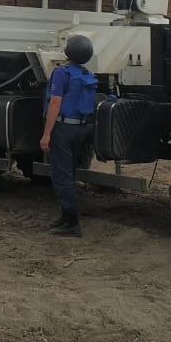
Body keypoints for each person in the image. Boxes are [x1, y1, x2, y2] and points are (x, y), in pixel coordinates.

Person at [39, 34, 98, 238]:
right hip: (80, 129)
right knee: (70, 173)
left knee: (61, 174)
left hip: (63, 128)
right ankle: (65, 217)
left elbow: (55, 104)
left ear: (68, 52)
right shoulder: (87, 74)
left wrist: (47, 134)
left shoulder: (61, 73)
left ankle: (71, 222)